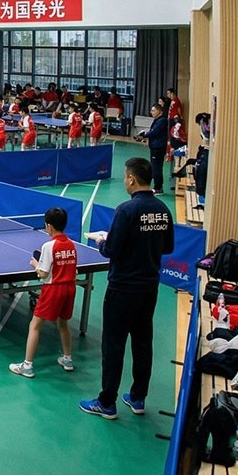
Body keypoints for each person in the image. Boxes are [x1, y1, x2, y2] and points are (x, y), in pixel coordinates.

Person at [80, 158, 174, 419]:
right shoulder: (163, 210)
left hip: (122, 289)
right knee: (143, 343)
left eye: (125, 177)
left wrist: (101, 241)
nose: (124, 181)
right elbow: (167, 248)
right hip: (149, 289)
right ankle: (138, 398)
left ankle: (107, 402)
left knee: (114, 345)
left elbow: (111, 250)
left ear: (132, 179)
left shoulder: (126, 210)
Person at [9, 208, 78, 379]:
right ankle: (67, 359)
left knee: (34, 325)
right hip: (70, 289)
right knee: (63, 323)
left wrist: (35, 265)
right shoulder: (71, 244)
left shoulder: (49, 246)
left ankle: (27, 366)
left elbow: (43, 274)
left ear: (49, 226)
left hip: (53, 289)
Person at [136, 103, 169, 193]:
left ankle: (158, 188)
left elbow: (155, 132)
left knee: (156, 167)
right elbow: (152, 131)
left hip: (158, 147)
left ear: (158, 111)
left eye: (153, 110)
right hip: (155, 146)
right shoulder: (157, 120)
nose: (151, 112)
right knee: (155, 167)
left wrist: (145, 136)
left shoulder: (162, 120)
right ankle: (158, 186)